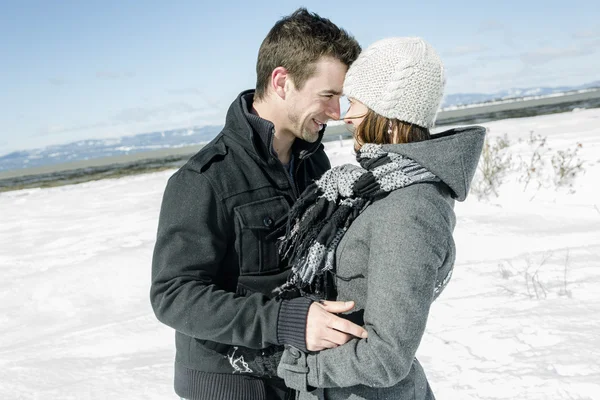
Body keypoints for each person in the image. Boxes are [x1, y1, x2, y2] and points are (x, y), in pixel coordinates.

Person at [150, 8, 364, 400]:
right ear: (281, 81)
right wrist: (285, 320)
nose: (337, 113)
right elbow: (173, 295)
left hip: (298, 373)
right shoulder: (203, 180)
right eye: (328, 96)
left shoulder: (312, 160)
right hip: (228, 382)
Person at [272, 37, 486, 399]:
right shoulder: (374, 189)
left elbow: (387, 356)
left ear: (387, 116)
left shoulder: (410, 209)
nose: (345, 116)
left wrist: (302, 369)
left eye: (355, 103)